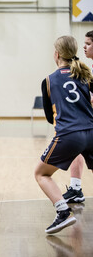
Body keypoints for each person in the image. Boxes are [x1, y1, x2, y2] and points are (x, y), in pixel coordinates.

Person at [35, 35, 93, 234]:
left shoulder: (49, 80)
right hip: (92, 131)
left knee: (41, 173)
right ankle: (75, 190)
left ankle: (63, 212)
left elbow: (50, 118)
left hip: (69, 134)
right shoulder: (85, 75)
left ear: (57, 54)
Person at [62, 30, 93, 204]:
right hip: (86, 121)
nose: (84, 46)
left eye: (88, 43)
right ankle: (75, 188)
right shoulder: (87, 69)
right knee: (77, 147)